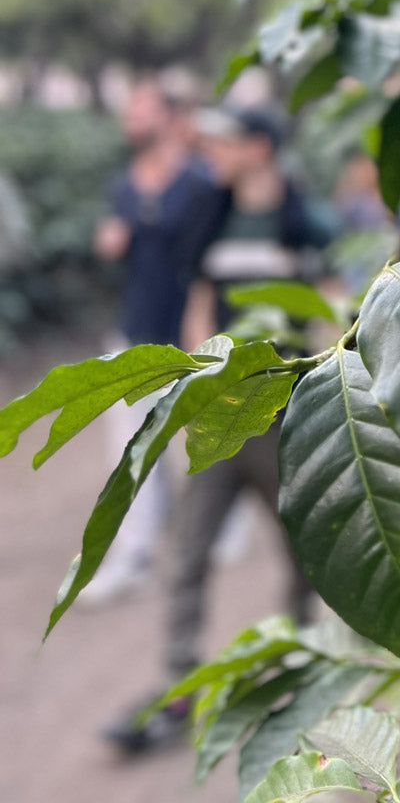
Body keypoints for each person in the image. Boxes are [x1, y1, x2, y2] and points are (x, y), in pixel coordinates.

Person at [104, 101, 329, 755]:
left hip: (284, 416)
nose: (213, 151)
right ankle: (178, 684)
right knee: (188, 549)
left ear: (259, 147)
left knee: (304, 551)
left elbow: (335, 301)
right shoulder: (212, 216)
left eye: (226, 141)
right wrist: (200, 382)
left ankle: (299, 665)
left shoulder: (301, 220)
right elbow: (198, 303)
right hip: (221, 417)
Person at [82, 74, 218, 606]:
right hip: (134, 337)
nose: (130, 119)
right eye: (128, 110)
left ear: (167, 115)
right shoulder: (124, 184)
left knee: (202, 439)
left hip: (189, 338)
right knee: (130, 452)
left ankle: (223, 525)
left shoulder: (201, 185)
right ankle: (134, 553)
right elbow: (120, 238)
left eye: (140, 108)